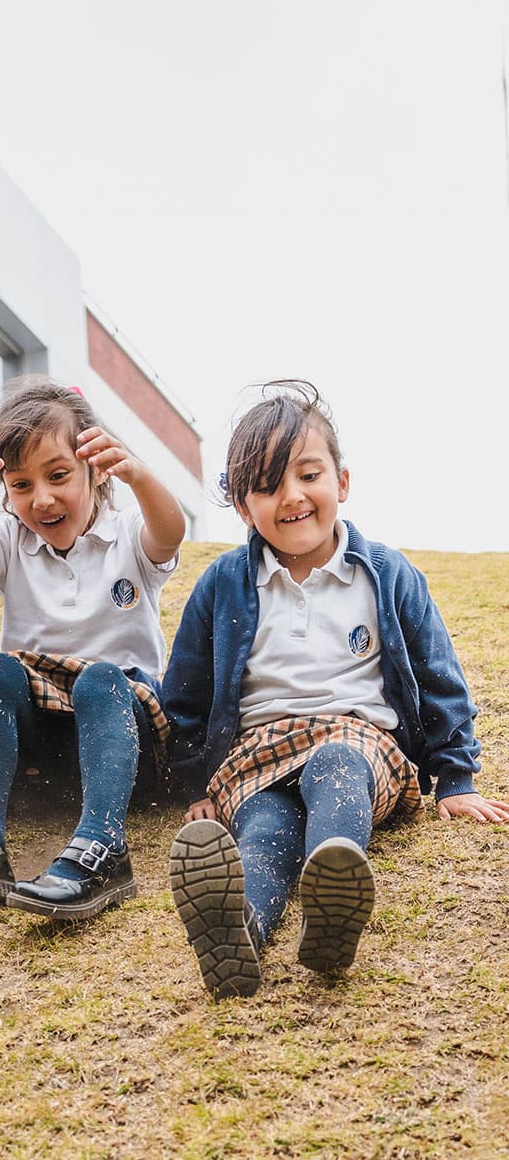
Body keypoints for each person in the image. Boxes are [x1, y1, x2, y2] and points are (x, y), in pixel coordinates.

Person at [164, 382, 508, 998]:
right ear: (243, 507)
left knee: (337, 766)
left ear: (341, 482)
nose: (291, 496)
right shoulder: (224, 584)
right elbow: (185, 691)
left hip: (358, 739)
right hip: (257, 753)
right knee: (264, 829)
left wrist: (456, 779)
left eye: (307, 475)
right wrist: (195, 786)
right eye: (267, 486)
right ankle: (240, 931)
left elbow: (439, 679)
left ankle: (333, 889)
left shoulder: (385, 575)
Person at [0, 378, 186, 919]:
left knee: (103, 679)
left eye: (58, 476)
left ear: (96, 468)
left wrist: (138, 472)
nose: (42, 499)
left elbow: (168, 533)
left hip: (122, 740)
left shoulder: (129, 534)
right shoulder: (12, 539)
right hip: (38, 752)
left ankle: (104, 848)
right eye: (21, 484)